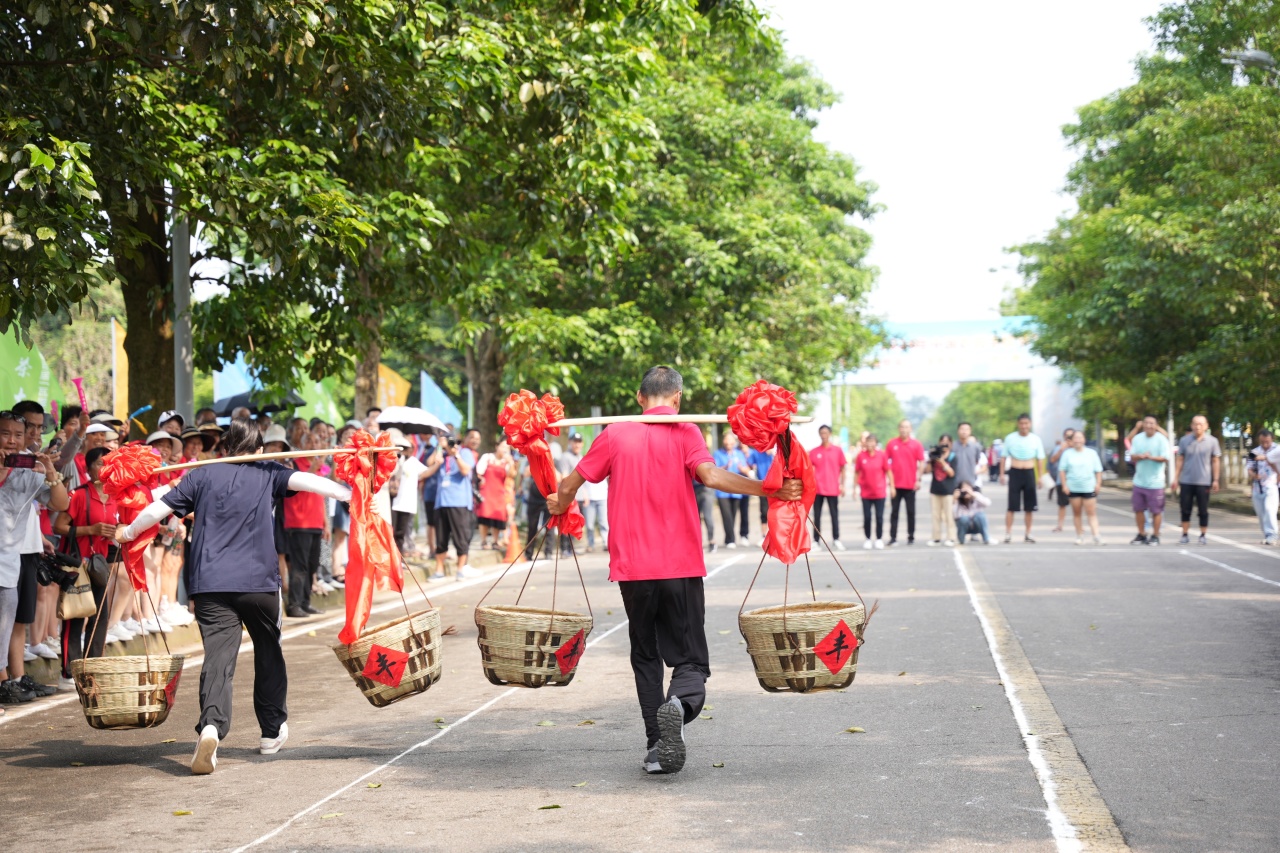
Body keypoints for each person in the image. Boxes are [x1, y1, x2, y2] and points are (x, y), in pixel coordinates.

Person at [546, 366, 802, 776]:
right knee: (690, 661)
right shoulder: (687, 432)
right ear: (678, 398)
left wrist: (560, 505)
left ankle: (655, 746)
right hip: (679, 565)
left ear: (639, 397)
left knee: (646, 656)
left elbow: (569, 485)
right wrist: (768, 490)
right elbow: (711, 476)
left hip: (632, 568)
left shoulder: (614, 434)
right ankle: (679, 706)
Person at [115, 418, 351, 774]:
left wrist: (129, 531)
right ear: (259, 450)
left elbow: (157, 508)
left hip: (211, 584)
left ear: (225, 447)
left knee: (218, 659)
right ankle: (271, 732)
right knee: (268, 652)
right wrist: (353, 495)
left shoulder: (201, 475)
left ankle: (211, 726)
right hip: (259, 584)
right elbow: (313, 483)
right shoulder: (268, 471)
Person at [0, 411, 70, 705]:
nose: (12, 440)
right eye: (5, 434)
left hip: (8, 564)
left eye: (17, 435)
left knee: (6, 627)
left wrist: (50, 472)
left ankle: (7, 680)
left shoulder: (29, 472)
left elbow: (60, 503)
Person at [53, 446, 117, 690]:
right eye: (100, 463)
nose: (104, 468)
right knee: (76, 615)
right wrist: (91, 530)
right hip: (77, 563)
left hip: (100, 563)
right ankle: (69, 672)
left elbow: (120, 526)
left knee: (100, 616)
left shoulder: (115, 496)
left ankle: (93, 669)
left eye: (109, 464)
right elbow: (59, 526)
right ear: (88, 468)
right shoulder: (78, 494)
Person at [425, 433, 478, 579]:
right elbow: (429, 463)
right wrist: (438, 448)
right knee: (441, 539)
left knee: (460, 537)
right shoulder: (441, 455)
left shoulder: (464, 452)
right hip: (441, 501)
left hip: (459, 501)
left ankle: (461, 569)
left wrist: (456, 454)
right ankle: (439, 571)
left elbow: (465, 470)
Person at [1173, 415, 1222, 546]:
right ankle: (1184, 534)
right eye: (1195, 424)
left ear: (1206, 426)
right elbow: (1180, 459)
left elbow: (1215, 461)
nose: (1198, 426)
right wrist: (1176, 478)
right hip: (1186, 481)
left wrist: (1216, 480)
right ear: (1192, 425)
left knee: (1203, 510)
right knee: (1185, 509)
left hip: (1204, 481)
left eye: (1201, 424)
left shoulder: (1212, 441)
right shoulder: (1184, 440)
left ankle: (1203, 535)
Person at [1000, 414, 1046, 544]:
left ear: (1030, 424)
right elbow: (1003, 457)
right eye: (1021, 423)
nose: (1024, 426)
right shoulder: (1010, 438)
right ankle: (1008, 533)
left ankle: (1028, 533)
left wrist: (1040, 477)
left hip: (1029, 473)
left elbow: (1040, 459)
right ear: (1018, 424)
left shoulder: (1036, 439)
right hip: (1015, 472)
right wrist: (1002, 474)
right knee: (1012, 506)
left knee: (1029, 507)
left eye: (1026, 423)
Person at [1127, 417, 1171, 546]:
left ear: (1156, 425)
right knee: (1138, 510)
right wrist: (1140, 456)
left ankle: (1155, 535)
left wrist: (1151, 457)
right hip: (1139, 481)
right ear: (1143, 425)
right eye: (1146, 423)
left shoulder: (1161, 439)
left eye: (1151, 423)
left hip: (1156, 483)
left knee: (1156, 511)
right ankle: (1141, 534)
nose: (1148, 426)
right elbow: (1132, 456)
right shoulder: (1137, 438)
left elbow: (1165, 457)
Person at [388, 429, 431, 556]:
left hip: (406, 503)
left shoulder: (413, 462)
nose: (405, 450)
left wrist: (438, 463)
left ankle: (398, 557)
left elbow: (425, 472)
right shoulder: (393, 460)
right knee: (390, 530)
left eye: (408, 447)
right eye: (402, 447)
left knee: (401, 533)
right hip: (393, 501)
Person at [1058, 430, 1104, 545]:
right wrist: (1064, 485)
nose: (1078, 440)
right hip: (1073, 488)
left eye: (1080, 438)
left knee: (1091, 512)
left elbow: (1098, 470)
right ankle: (1079, 536)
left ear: (1084, 439)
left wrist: (1098, 484)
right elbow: (1062, 470)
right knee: (1077, 513)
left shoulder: (1092, 453)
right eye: (1075, 438)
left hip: (1089, 487)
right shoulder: (1067, 454)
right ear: (1072, 440)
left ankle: (1096, 535)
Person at [885, 419, 925, 546]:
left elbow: (922, 462)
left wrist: (918, 479)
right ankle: (893, 537)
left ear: (910, 429)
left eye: (907, 427)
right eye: (902, 427)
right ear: (899, 428)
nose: (904, 429)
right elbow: (886, 462)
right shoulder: (892, 443)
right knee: (894, 512)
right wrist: (890, 482)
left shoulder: (916, 444)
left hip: (910, 485)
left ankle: (911, 536)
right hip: (895, 485)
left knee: (911, 512)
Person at [810, 425, 847, 550]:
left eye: (826, 433)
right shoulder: (814, 452)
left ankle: (836, 539)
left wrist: (843, 485)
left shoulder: (837, 450)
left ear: (830, 434)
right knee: (817, 515)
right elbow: (808, 470)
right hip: (818, 489)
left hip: (833, 488)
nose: (824, 435)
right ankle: (816, 541)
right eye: (821, 433)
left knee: (834, 515)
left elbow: (843, 468)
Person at [854, 433, 894, 549]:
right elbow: (857, 472)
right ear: (865, 443)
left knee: (879, 517)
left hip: (879, 492)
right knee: (867, 517)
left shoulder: (881, 455)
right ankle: (867, 538)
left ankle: (879, 538)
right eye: (868, 442)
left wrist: (892, 487)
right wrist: (855, 488)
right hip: (866, 493)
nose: (870, 444)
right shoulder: (861, 456)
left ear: (876, 443)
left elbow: (888, 471)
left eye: (872, 442)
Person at [713, 432, 751, 549]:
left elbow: (746, 469)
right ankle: (730, 539)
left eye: (730, 440)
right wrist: (725, 467)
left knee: (733, 515)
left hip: (736, 490)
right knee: (726, 515)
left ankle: (729, 538)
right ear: (723, 441)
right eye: (726, 440)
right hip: (722, 490)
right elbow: (714, 470)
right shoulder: (718, 453)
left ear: (734, 442)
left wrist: (742, 469)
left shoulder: (739, 454)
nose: (728, 443)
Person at [476, 437, 516, 550]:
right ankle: (483, 541)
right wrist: (481, 480)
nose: (504, 450)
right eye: (503, 447)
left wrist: (511, 463)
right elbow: (478, 472)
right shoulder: (487, 457)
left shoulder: (506, 462)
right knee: (484, 516)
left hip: (499, 493)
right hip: (487, 491)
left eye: (507, 448)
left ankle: (495, 541)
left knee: (498, 517)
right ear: (497, 446)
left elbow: (512, 475)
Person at [554, 433, 590, 556]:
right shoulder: (565, 457)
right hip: (569, 495)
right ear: (570, 442)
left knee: (575, 523)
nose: (577, 444)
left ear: (582, 444)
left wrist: (585, 494)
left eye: (579, 442)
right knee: (566, 522)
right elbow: (564, 476)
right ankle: (564, 549)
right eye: (574, 441)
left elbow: (583, 479)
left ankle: (571, 548)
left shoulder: (581, 457)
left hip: (579, 495)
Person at [1247, 429, 1280, 546]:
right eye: (1262, 442)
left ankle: (1272, 535)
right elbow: (1249, 468)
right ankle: (1267, 535)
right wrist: (1253, 475)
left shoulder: (1277, 449)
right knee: (1261, 513)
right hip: (1257, 487)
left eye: (1267, 442)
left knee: (1269, 510)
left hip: (1272, 485)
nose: (1265, 444)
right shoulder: (1255, 451)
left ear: (1272, 439)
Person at [927, 435, 956, 546]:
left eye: (947, 441)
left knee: (948, 515)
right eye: (942, 441)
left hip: (948, 490)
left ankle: (951, 537)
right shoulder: (935, 455)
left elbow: (952, 473)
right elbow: (927, 470)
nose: (944, 443)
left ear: (951, 444)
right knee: (936, 515)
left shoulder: (953, 456)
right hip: (935, 489)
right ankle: (936, 537)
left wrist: (942, 462)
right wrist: (931, 459)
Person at [1047, 428, 1076, 533]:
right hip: (1062, 481)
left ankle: (1079, 525)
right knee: (1062, 504)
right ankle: (1060, 525)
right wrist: (1061, 450)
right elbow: (1052, 460)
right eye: (1067, 436)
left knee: (1077, 504)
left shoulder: (1078, 448)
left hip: (1076, 481)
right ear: (1064, 437)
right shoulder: (1060, 448)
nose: (1069, 438)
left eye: (1071, 436)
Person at [952, 423, 986, 488]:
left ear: (970, 431)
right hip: (954, 482)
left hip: (971, 482)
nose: (964, 431)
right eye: (962, 429)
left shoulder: (975, 447)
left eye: (967, 429)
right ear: (958, 431)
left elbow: (976, 461)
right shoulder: (952, 447)